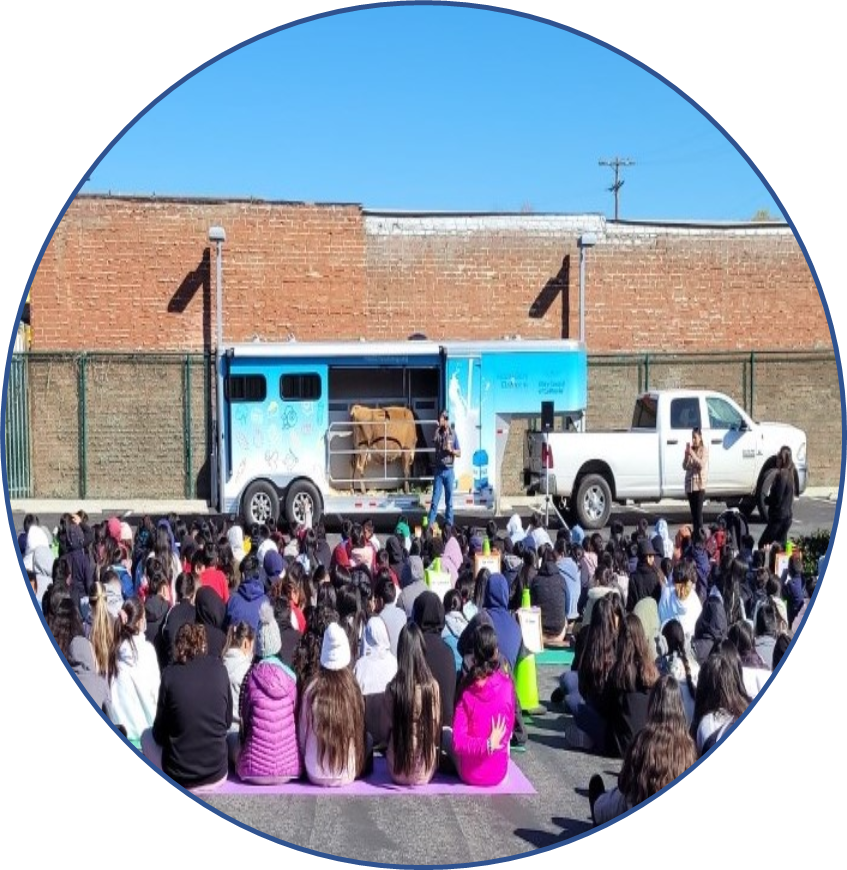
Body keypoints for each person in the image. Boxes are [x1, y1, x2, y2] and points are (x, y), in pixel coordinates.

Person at [143, 623, 232, 792]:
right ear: (203, 645)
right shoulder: (220, 670)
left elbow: (158, 734)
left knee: (145, 737)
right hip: (216, 773)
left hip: (178, 775)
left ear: (178, 646)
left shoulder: (169, 675)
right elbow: (227, 723)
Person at [235, 602, 302, 784]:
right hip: (289, 768)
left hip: (253, 769)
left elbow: (246, 718)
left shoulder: (251, 678)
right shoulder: (290, 679)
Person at [298, 621, 369, 787]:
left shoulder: (311, 689)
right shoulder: (353, 689)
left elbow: (302, 736)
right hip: (347, 772)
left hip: (314, 771)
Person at [446, 624, 514, 787]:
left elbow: (458, 742)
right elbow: (509, 728)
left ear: (473, 656)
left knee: (445, 734)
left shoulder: (467, 691)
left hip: (471, 773)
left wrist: (487, 745)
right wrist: (491, 744)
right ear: (496, 653)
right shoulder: (507, 685)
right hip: (499, 772)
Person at [384, 623, 442, 786]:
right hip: (425, 770)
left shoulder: (392, 689)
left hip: (396, 769)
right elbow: (436, 725)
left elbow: (388, 726)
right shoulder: (432, 688)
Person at [107, 598, 161, 748]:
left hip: (121, 729)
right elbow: (156, 693)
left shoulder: (114, 652)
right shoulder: (147, 651)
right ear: (138, 622)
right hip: (146, 737)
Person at [427, 409, 461, 530]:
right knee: (435, 500)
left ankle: (449, 526)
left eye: (442, 418)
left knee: (449, 501)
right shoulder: (438, 432)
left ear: (446, 419)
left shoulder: (453, 434)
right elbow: (435, 442)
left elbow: (459, 453)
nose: (440, 420)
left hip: (449, 471)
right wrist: (440, 434)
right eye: (440, 418)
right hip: (439, 471)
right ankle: (430, 525)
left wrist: (451, 450)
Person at [759, 446, 796, 549]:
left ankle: (763, 564)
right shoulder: (790, 474)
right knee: (781, 547)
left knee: (762, 544)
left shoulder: (782, 475)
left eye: (779, 457)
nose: (777, 459)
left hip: (779, 519)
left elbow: (777, 499)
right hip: (787, 518)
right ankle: (780, 564)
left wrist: (766, 499)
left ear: (783, 460)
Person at [683, 427, 708, 534]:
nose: (693, 440)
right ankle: (695, 538)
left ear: (700, 437)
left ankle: (700, 537)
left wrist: (693, 455)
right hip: (690, 486)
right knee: (693, 515)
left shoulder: (704, 450)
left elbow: (701, 464)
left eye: (695, 437)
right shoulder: (691, 449)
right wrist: (686, 456)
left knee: (698, 515)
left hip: (699, 486)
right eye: (692, 437)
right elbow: (685, 466)